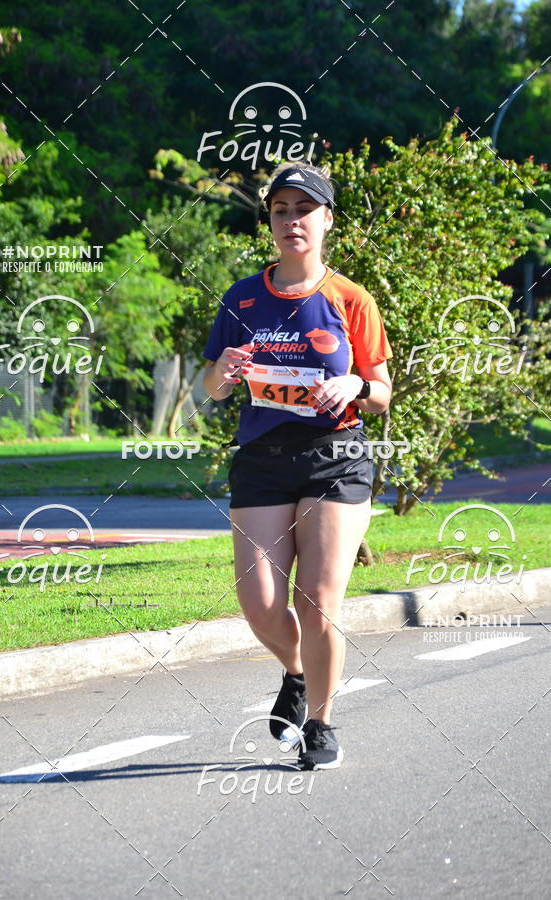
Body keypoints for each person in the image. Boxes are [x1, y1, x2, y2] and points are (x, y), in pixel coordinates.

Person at [202, 161, 393, 770]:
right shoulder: (242, 296)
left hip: (335, 459)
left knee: (316, 598)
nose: (292, 221)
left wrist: (355, 384)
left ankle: (321, 724)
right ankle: (297, 671)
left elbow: (384, 389)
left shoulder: (349, 298)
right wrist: (224, 371)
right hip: (261, 460)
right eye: (280, 211)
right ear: (271, 223)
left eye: (304, 210)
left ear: (326, 219)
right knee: (259, 604)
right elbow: (212, 387)